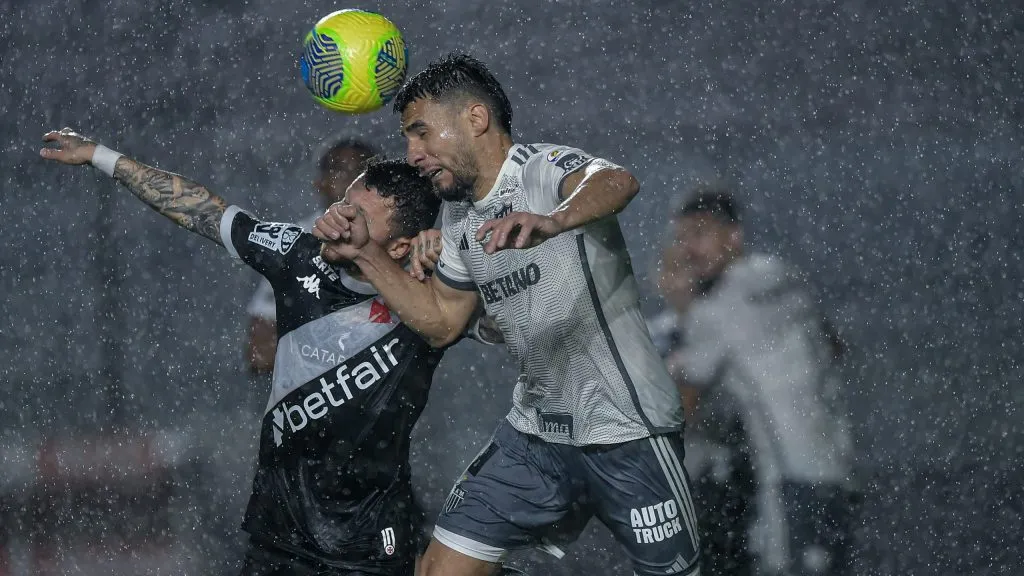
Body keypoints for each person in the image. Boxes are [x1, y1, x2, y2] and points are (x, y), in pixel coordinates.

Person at [313, 53, 701, 576]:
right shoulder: (457, 215)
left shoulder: (539, 169)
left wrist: (554, 220)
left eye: (421, 132)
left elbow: (618, 180)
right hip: (536, 436)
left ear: (476, 118)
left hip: (628, 428)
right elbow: (442, 323)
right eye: (408, 138)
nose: (413, 154)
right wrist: (366, 254)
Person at [38, 127, 467, 576]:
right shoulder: (298, 254)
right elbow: (203, 209)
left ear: (399, 246)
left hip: (370, 542)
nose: (337, 218)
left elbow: (500, 322)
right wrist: (101, 156)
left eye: (357, 216)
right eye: (343, 204)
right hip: (278, 533)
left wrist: (455, 259)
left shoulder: (432, 295)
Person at [650, 187, 857, 576]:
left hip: (791, 484)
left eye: (699, 234)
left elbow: (677, 403)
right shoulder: (783, 275)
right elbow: (835, 346)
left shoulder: (716, 307)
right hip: (836, 471)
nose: (688, 249)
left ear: (734, 236)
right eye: (681, 238)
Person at [246, 138, 377, 377]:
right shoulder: (291, 246)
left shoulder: (402, 245)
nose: (353, 182)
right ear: (319, 183)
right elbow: (261, 353)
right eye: (341, 171)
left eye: (362, 173)